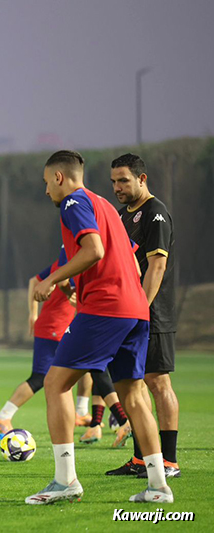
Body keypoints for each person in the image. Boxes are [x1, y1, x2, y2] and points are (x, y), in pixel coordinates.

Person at [25, 150, 172, 505]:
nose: (47, 191)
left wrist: (54, 280)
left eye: (47, 183)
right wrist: (81, 285)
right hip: (136, 309)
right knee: (134, 394)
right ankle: (158, 486)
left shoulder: (73, 202)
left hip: (107, 308)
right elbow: (128, 262)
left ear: (60, 178)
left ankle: (66, 481)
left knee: (55, 382)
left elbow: (94, 250)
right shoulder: (105, 205)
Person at [106, 153, 180, 478]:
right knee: (134, 384)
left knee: (158, 382)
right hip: (130, 314)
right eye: (113, 182)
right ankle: (142, 458)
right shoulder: (123, 217)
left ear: (142, 179)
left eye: (123, 180)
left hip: (152, 312)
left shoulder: (155, 214)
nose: (118, 187)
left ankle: (169, 461)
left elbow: (158, 265)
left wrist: (142, 309)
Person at [0, 247, 76, 434]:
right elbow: (46, 283)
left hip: (59, 328)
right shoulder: (70, 266)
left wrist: (33, 313)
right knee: (42, 377)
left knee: (77, 373)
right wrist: (34, 313)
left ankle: (85, 414)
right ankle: (3, 416)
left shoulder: (69, 265)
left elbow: (33, 281)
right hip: (54, 328)